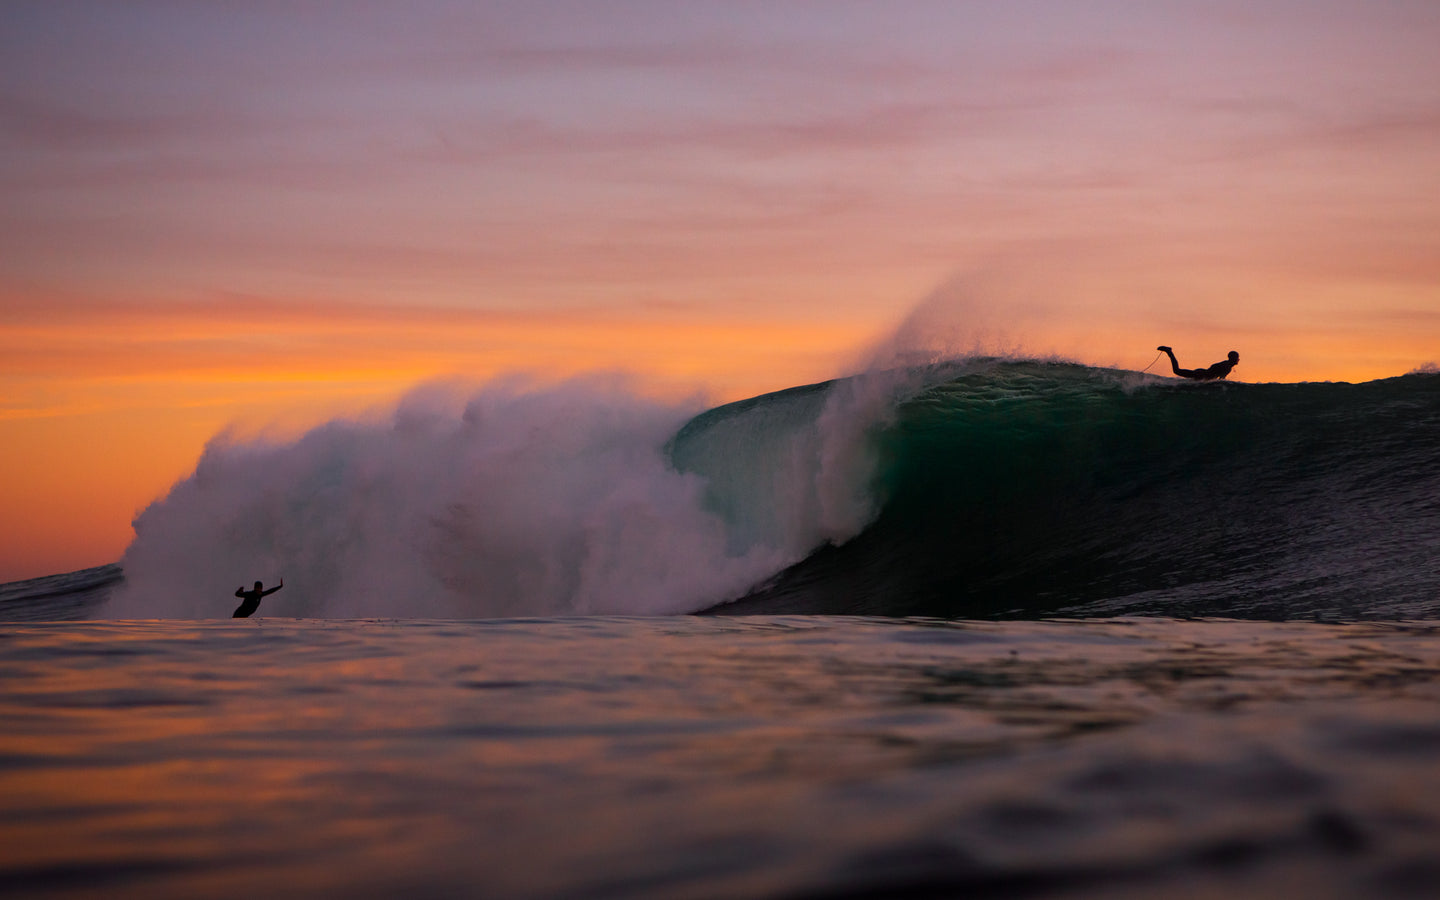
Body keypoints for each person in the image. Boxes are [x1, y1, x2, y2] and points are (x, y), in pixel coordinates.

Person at [1157, 346, 1239, 381]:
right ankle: (1169, 352)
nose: (1238, 359)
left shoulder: (1226, 364)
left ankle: (1169, 352)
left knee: (1177, 371)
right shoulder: (1227, 367)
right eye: (1237, 358)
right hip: (1200, 375)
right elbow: (1221, 380)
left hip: (1201, 373)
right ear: (1233, 358)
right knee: (1177, 371)